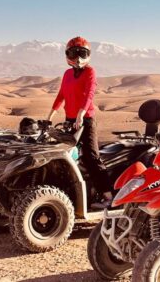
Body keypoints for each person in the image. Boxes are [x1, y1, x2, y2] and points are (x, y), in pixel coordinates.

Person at [47, 36, 112, 209]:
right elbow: (61, 95)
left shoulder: (90, 72)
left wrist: (81, 114)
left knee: (91, 156)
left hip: (86, 119)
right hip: (70, 120)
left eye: (82, 54)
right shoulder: (67, 74)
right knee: (65, 156)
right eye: (75, 54)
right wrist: (49, 116)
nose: (78, 58)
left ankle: (108, 196)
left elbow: (90, 93)